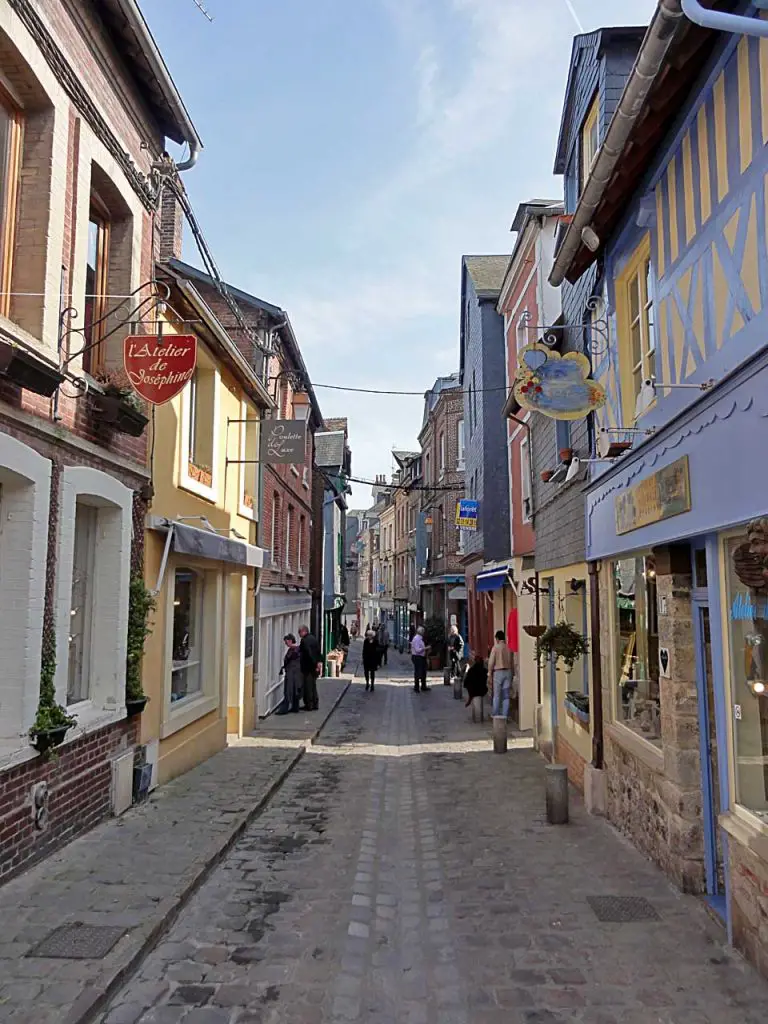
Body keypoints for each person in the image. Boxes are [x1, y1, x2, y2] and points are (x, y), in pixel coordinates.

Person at [487, 629, 514, 719]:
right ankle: (504, 715)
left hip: (498, 672)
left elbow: (491, 662)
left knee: (497, 695)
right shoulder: (509, 648)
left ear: (497, 638)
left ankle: (495, 714)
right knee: (506, 695)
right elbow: (512, 661)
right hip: (508, 672)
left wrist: (489, 673)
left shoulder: (495, 648)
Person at [275, 634, 303, 714]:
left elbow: (288, 660)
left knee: (288, 690)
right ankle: (295, 707)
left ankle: (284, 709)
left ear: (290, 640)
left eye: (286, 642)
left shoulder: (293, 650)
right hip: (297, 673)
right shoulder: (298, 649)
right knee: (295, 690)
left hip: (292, 673)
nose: (285, 644)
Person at [298, 625, 322, 711]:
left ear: (304, 631)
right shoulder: (313, 638)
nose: (299, 634)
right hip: (314, 667)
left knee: (307, 687)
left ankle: (309, 705)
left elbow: (309, 654)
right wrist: (318, 664)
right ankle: (315, 703)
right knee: (313, 686)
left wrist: (313, 664)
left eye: (299, 632)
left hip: (308, 668)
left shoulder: (304, 641)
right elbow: (318, 652)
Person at [410, 625, 428, 692]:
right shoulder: (417, 639)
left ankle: (423, 686)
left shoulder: (419, 638)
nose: (424, 633)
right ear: (421, 632)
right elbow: (417, 650)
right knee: (418, 672)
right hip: (418, 657)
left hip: (420, 657)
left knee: (423, 671)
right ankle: (416, 687)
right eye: (423, 632)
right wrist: (426, 648)